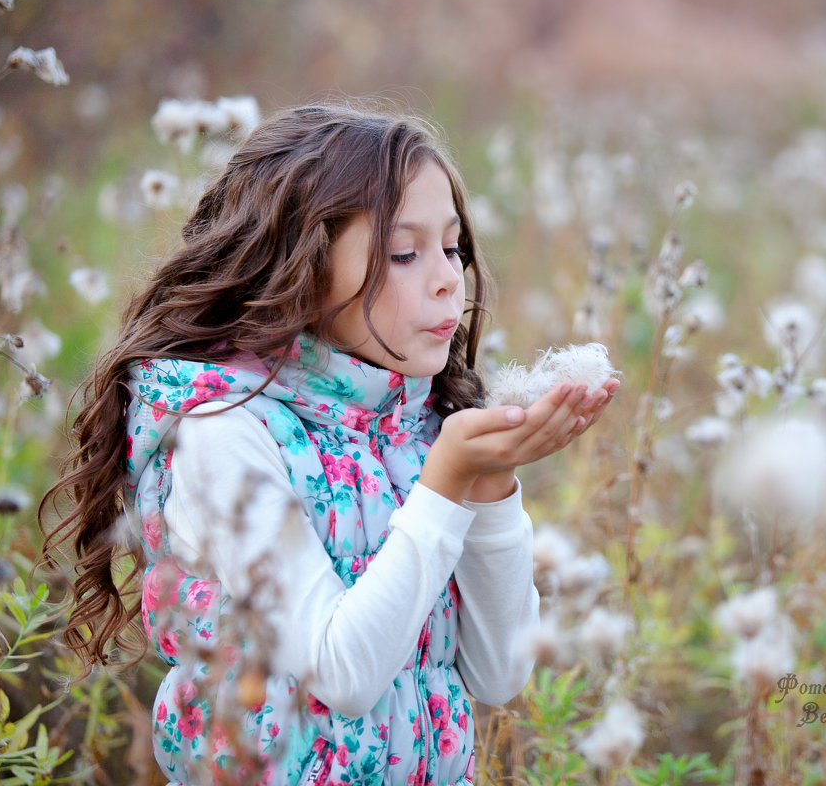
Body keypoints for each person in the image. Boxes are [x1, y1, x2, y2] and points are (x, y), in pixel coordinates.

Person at [41, 103, 618, 785]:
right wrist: (446, 482)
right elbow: (342, 673)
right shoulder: (224, 432)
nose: (446, 279)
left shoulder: (415, 421)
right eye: (404, 253)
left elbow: (499, 675)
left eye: (453, 246)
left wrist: (489, 485)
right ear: (303, 270)